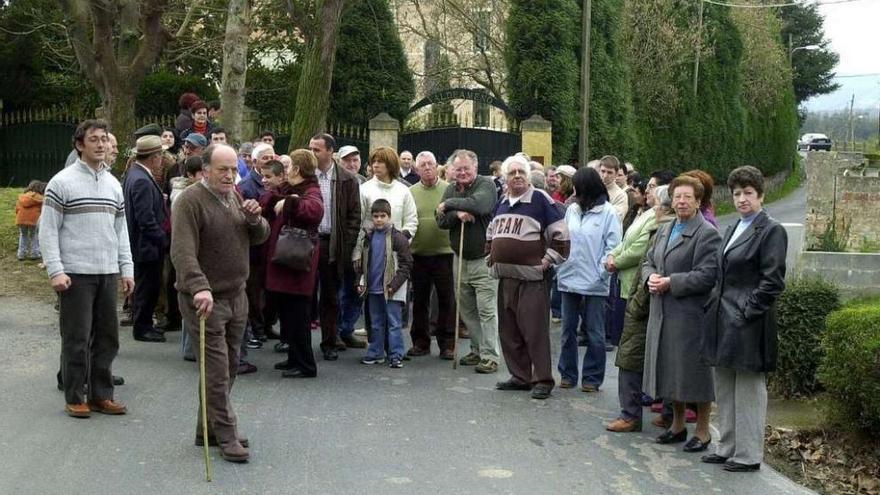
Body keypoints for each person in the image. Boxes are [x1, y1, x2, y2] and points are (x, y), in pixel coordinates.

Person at [171, 143, 269, 463]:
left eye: (233, 169)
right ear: (206, 170)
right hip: (205, 300)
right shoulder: (190, 201)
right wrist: (199, 287)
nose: (229, 175)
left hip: (236, 295)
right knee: (217, 370)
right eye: (222, 170)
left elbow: (261, 236)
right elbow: (182, 252)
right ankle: (226, 435)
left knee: (229, 367)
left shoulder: (235, 196)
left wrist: (255, 219)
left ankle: (207, 429)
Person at [41, 119, 134, 418]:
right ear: (80, 145)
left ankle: (101, 395)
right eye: (93, 139)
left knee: (108, 338)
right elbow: (48, 230)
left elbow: (121, 231)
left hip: (107, 272)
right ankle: (75, 395)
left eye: (104, 139)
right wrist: (56, 269)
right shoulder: (62, 182)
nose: (101, 144)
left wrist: (126, 268)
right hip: (75, 274)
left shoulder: (113, 184)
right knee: (77, 339)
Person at [701, 166, 788, 472]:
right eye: (737, 193)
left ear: (761, 195)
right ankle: (726, 446)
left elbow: (773, 281)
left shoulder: (772, 230)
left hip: (750, 323)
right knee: (724, 386)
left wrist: (745, 313)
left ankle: (748, 454)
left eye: (748, 193)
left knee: (749, 390)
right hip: (722, 319)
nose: (741, 199)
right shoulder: (734, 226)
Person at [642, 174, 721, 452]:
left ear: (699, 202)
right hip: (662, 311)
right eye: (677, 196)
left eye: (688, 197)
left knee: (696, 374)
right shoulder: (665, 228)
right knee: (671, 369)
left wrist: (670, 282)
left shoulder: (707, 233)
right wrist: (650, 277)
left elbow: (707, 276)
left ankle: (702, 431)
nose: (682, 201)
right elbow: (649, 261)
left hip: (690, 315)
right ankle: (676, 425)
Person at [488, 155, 570, 399]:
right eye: (512, 173)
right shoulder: (502, 201)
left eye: (520, 172)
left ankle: (543, 378)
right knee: (509, 330)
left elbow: (561, 233)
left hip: (533, 279)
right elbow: (491, 232)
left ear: (528, 175)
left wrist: (548, 260)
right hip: (506, 278)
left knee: (534, 330)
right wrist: (489, 257)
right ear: (505, 178)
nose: (516, 176)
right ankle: (520, 376)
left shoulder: (540, 199)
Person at [606, 185, 675, 433]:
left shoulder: (664, 229)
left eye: (656, 202)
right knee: (661, 358)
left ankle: (631, 415)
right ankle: (667, 414)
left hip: (647, 302)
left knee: (630, 357)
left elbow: (649, 263)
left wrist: (637, 301)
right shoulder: (662, 227)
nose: (653, 206)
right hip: (645, 297)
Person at [556, 167, 621, 392]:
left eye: (576, 185)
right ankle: (567, 373)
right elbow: (563, 238)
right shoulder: (572, 209)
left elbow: (613, 246)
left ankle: (592, 378)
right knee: (568, 330)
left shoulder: (608, 213)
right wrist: (560, 264)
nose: (573, 189)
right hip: (569, 276)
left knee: (595, 332)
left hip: (594, 280)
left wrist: (602, 273)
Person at [260, 150, 324, 379]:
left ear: (297, 169)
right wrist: (281, 199)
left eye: (290, 166)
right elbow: (268, 199)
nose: (286, 171)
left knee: (299, 316)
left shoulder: (311, 190)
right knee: (289, 314)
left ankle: (306, 364)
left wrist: (290, 202)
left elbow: (314, 210)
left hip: (297, 263)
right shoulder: (291, 189)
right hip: (287, 261)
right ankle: (294, 358)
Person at [436, 149, 500, 374]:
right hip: (460, 258)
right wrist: (457, 214)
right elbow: (440, 220)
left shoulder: (486, 185)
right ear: (452, 170)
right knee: (467, 310)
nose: (462, 172)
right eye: (458, 169)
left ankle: (490, 355)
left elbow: (480, 205)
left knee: (486, 310)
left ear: (475, 168)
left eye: (466, 168)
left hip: (484, 259)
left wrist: (451, 205)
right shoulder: (451, 187)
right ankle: (476, 348)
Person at [308, 133, 363, 360]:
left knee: (331, 296)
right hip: (307, 242)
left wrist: (346, 243)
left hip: (333, 243)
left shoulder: (348, 179)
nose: (312, 153)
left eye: (316, 150)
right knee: (304, 295)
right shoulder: (305, 175)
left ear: (330, 151)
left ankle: (330, 342)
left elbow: (354, 215)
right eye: (310, 148)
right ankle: (295, 343)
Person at [407, 151, 456, 359]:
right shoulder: (410, 192)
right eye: (423, 165)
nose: (427, 167)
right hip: (418, 254)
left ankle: (447, 344)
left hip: (445, 254)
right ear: (416, 169)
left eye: (430, 164)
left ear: (437, 167)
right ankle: (420, 342)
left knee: (447, 300)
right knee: (419, 301)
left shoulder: (449, 190)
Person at [356, 199, 414, 368]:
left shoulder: (398, 238)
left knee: (394, 323)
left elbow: (406, 265)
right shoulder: (368, 237)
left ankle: (396, 354)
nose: (379, 220)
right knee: (375, 322)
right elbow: (363, 263)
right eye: (376, 216)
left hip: (392, 289)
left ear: (389, 216)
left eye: (383, 216)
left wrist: (394, 285)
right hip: (373, 288)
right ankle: (376, 352)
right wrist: (360, 281)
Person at [123, 135, 169, 343]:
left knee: (146, 287)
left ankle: (145, 325)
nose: (162, 160)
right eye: (161, 155)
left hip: (143, 245)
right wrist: (163, 240)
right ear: (154, 157)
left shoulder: (136, 174)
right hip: (146, 246)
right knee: (146, 288)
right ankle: (142, 328)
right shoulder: (141, 179)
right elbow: (146, 219)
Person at [15, 180, 45, 261]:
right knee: (34, 235)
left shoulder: (22, 197)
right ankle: (34, 253)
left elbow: (17, 208)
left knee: (23, 235)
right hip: (33, 220)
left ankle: (21, 254)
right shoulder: (41, 198)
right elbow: (43, 210)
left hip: (21, 219)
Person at [598, 155, 628, 221]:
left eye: (609, 172)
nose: (605, 176)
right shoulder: (591, 189)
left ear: (616, 174)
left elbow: (615, 218)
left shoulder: (621, 195)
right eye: (603, 171)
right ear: (599, 170)